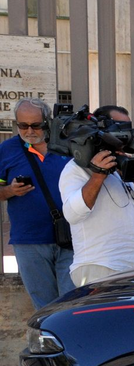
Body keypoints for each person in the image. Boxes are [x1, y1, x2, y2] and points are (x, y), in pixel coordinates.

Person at [59, 105, 134, 287]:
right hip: (98, 269)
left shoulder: (122, 162)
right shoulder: (75, 169)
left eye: (127, 127)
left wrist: (132, 171)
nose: (125, 134)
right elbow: (72, 214)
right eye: (119, 127)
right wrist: (98, 174)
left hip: (132, 268)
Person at [0, 98, 75, 308]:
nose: (29, 131)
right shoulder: (7, 150)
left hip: (72, 238)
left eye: (36, 125)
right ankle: (48, 341)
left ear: (47, 122)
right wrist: (9, 190)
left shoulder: (67, 146)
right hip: (29, 242)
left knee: (71, 304)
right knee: (44, 307)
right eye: (23, 125)